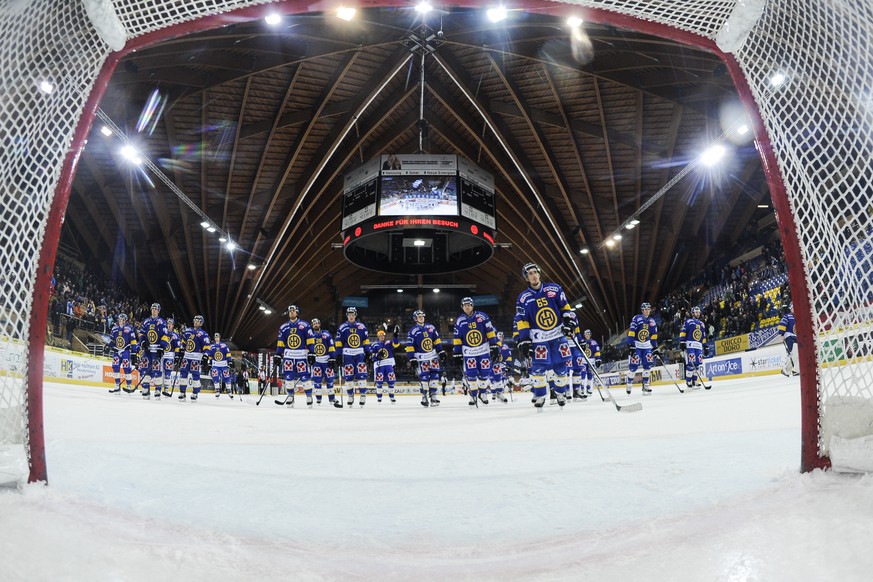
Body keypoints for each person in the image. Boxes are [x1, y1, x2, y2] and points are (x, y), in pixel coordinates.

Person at [514, 262, 575, 410]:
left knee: (561, 366)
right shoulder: (523, 298)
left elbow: (565, 308)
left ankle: (560, 393)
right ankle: (540, 395)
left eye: (535, 272)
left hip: (557, 335)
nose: (533, 275)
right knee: (538, 368)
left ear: (539, 273)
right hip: (538, 339)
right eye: (530, 274)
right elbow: (522, 321)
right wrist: (524, 340)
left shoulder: (554, 289)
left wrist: (569, 322)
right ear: (526, 278)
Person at [453, 297, 499, 407]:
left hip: (483, 349)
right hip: (469, 352)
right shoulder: (459, 320)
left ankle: (483, 394)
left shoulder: (482, 316)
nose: (467, 307)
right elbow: (457, 338)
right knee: (471, 374)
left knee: (485, 372)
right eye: (465, 305)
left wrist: (494, 345)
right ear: (462, 307)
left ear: (472, 306)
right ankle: (473, 395)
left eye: (469, 305)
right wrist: (457, 352)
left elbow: (490, 332)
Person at [406, 309, 447, 407]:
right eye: (419, 316)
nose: (421, 318)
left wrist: (440, 351)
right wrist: (412, 358)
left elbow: (437, 340)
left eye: (422, 316)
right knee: (424, 378)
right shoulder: (412, 331)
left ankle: (433, 396)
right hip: (421, 358)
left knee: (435, 377)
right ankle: (424, 396)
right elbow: (410, 346)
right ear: (415, 319)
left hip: (433, 357)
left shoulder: (431, 327)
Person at [275, 305, 313, 407]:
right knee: (288, 376)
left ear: (297, 312)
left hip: (301, 355)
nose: (291, 312)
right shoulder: (284, 327)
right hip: (288, 356)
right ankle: (290, 396)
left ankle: (309, 396)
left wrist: (312, 352)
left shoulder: (304, 325)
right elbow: (281, 342)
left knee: (305, 376)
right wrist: (278, 354)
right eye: (290, 311)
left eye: (293, 311)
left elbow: (310, 340)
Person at [335, 306, 371, 407]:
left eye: (353, 315)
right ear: (347, 316)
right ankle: (350, 395)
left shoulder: (361, 326)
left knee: (362, 375)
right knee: (348, 376)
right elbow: (338, 342)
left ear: (355, 315)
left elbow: (366, 340)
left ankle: (363, 395)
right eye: (349, 315)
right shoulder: (342, 327)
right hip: (347, 355)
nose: (351, 316)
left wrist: (368, 352)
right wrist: (338, 355)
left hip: (360, 354)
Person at [626, 302, 659, 395]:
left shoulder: (652, 321)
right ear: (642, 310)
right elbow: (632, 331)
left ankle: (645, 385)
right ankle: (629, 383)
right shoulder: (637, 318)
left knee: (648, 365)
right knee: (633, 366)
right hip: (637, 346)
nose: (647, 311)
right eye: (645, 309)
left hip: (647, 346)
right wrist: (631, 345)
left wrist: (655, 347)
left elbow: (654, 335)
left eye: (648, 309)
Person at [138, 302, 168, 400]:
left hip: (156, 350)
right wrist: (143, 343)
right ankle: (145, 389)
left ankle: (158, 390)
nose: (154, 310)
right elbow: (142, 334)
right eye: (152, 308)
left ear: (158, 311)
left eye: (156, 309)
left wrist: (162, 347)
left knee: (157, 369)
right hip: (147, 350)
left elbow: (165, 336)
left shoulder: (162, 322)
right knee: (145, 369)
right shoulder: (146, 321)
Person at [308, 317, 340, 407]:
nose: (315, 325)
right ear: (312, 325)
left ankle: (332, 398)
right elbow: (307, 347)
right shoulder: (310, 334)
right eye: (313, 324)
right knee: (317, 381)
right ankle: (318, 399)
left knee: (330, 380)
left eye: (317, 323)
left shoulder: (326, 333)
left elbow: (331, 346)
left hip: (326, 360)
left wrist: (332, 358)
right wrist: (309, 357)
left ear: (320, 324)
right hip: (316, 360)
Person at [178, 314, 210, 401]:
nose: (196, 322)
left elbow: (206, 346)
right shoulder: (188, 331)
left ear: (201, 323)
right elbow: (183, 342)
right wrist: (181, 350)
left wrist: (206, 356)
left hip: (196, 357)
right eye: (195, 320)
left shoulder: (203, 334)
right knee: (183, 374)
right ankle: (182, 392)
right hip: (186, 356)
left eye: (198, 320)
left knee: (195, 375)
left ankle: (195, 393)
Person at [107, 312, 137, 393]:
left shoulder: (129, 329)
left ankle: (129, 385)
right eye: (119, 319)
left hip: (125, 351)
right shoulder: (114, 329)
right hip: (116, 351)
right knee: (115, 367)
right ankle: (117, 385)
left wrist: (134, 352)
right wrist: (108, 345)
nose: (120, 320)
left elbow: (133, 341)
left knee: (127, 368)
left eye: (122, 319)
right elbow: (112, 340)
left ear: (125, 320)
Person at [679, 306, 707, 389]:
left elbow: (703, 336)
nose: (698, 314)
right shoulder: (689, 322)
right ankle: (688, 381)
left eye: (698, 312)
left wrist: (705, 346)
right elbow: (683, 332)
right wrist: (682, 342)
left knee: (697, 364)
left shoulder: (702, 324)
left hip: (698, 345)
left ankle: (695, 381)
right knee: (691, 364)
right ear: (692, 313)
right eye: (696, 312)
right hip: (690, 345)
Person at [371, 326, 401, 404]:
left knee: (391, 381)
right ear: (378, 337)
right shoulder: (375, 345)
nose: (382, 337)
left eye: (383, 335)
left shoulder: (388, 343)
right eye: (380, 335)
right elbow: (371, 355)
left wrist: (395, 336)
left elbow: (396, 344)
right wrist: (377, 355)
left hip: (388, 365)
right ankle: (379, 397)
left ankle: (392, 397)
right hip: (379, 365)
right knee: (379, 381)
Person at [159, 318, 182, 396]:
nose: (169, 325)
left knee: (168, 372)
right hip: (162, 354)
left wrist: (176, 356)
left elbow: (177, 347)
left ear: (173, 325)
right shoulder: (162, 333)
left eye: (170, 324)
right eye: (168, 323)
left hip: (170, 355)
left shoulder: (175, 335)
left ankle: (166, 388)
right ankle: (158, 388)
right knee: (159, 371)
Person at [207, 332, 234, 397]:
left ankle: (229, 391)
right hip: (215, 364)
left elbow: (228, 353)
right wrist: (209, 362)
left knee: (226, 377)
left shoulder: (224, 345)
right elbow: (210, 355)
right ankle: (217, 391)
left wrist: (229, 361)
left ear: (219, 338)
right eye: (216, 337)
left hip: (223, 364)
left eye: (218, 337)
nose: (217, 338)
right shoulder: (212, 346)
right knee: (215, 377)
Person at [490, 331, 511, 403]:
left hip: (501, 365)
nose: (500, 338)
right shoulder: (492, 344)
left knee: (501, 379)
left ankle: (499, 393)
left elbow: (509, 357)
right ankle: (493, 393)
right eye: (499, 336)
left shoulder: (505, 346)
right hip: (492, 364)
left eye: (501, 336)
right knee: (492, 379)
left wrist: (508, 365)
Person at [778, 302, 798, 376]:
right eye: (793, 308)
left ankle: (786, 368)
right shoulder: (787, 316)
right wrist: (781, 334)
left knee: (794, 354)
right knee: (794, 352)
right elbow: (782, 324)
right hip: (789, 336)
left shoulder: (799, 317)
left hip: (796, 337)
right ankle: (796, 370)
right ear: (791, 308)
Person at [579, 329, 601, 396]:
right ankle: (582, 388)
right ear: (584, 335)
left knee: (590, 375)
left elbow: (597, 351)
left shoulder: (594, 342)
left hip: (591, 361)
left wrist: (598, 359)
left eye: (588, 334)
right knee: (582, 374)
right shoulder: (581, 342)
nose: (587, 335)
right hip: (583, 360)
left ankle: (589, 388)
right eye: (586, 334)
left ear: (590, 334)